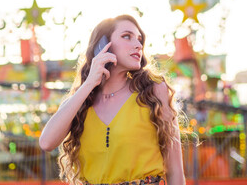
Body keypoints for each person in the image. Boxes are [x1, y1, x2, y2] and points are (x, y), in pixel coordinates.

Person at [39, 14, 185, 185]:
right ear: (102, 46)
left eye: (139, 40)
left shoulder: (154, 92)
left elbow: (175, 171)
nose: (138, 45)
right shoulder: (81, 102)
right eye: (127, 36)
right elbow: (47, 142)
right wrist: (89, 84)